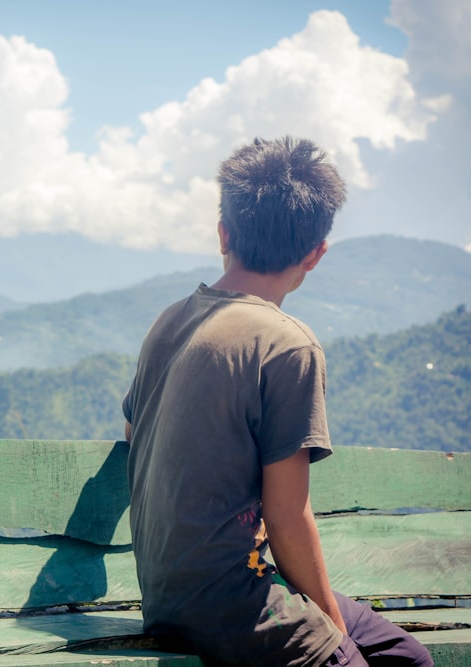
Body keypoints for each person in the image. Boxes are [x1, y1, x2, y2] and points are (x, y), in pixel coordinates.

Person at [121, 136, 433, 667]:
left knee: (404, 655)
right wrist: (334, 632)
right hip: (229, 602)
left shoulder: (170, 320)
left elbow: (135, 434)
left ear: (223, 233)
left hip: (171, 595)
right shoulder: (288, 344)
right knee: (356, 656)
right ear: (316, 254)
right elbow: (287, 516)